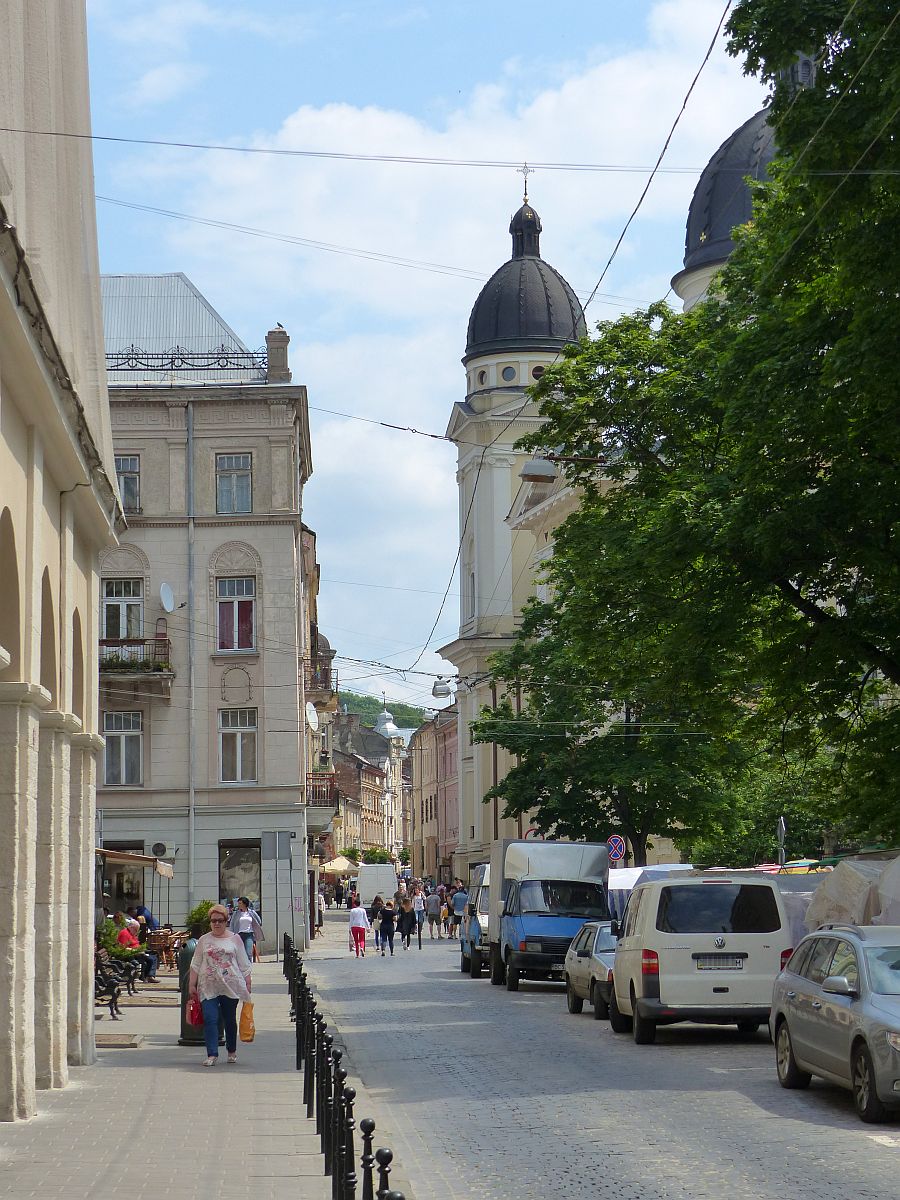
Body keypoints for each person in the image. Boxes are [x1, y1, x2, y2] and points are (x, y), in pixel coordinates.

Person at [189, 903, 252, 1066]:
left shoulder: (235, 939)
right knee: (210, 1018)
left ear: (226, 921)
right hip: (208, 986)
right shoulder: (204, 940)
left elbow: (244, 964)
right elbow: (195, 964)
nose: (216, 924)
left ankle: (231, 1051)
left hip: (230, 986)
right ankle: (212, 1054)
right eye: (213, 920)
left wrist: (247, 984)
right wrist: (191, 985)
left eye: (220, 920)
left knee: (229, 1019)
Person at [113, 912, 157, 981]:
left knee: (154, 954)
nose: (136, 932)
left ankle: (149, 975)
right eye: (136, 930)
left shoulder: (131, 933)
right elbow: (123, 948)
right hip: (132, 954)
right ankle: (147, 976)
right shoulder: (125, 933)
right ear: (131, 927)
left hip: (138, 951)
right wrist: (136, 951)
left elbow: (136, 943)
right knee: (150, 959)